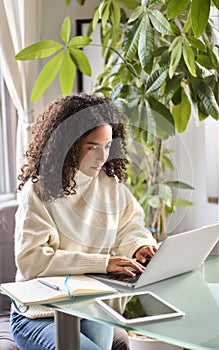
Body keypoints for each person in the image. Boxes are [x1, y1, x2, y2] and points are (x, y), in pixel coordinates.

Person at [10, 93, 157, 350]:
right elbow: (31, 259)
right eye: (93, 147)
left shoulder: (110, 185)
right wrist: (104, 263)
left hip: (91, 304)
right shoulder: (39, 191)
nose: (102, 158)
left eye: (108, 147)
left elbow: (130, 227)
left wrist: (139, 246)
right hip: (39, 313)